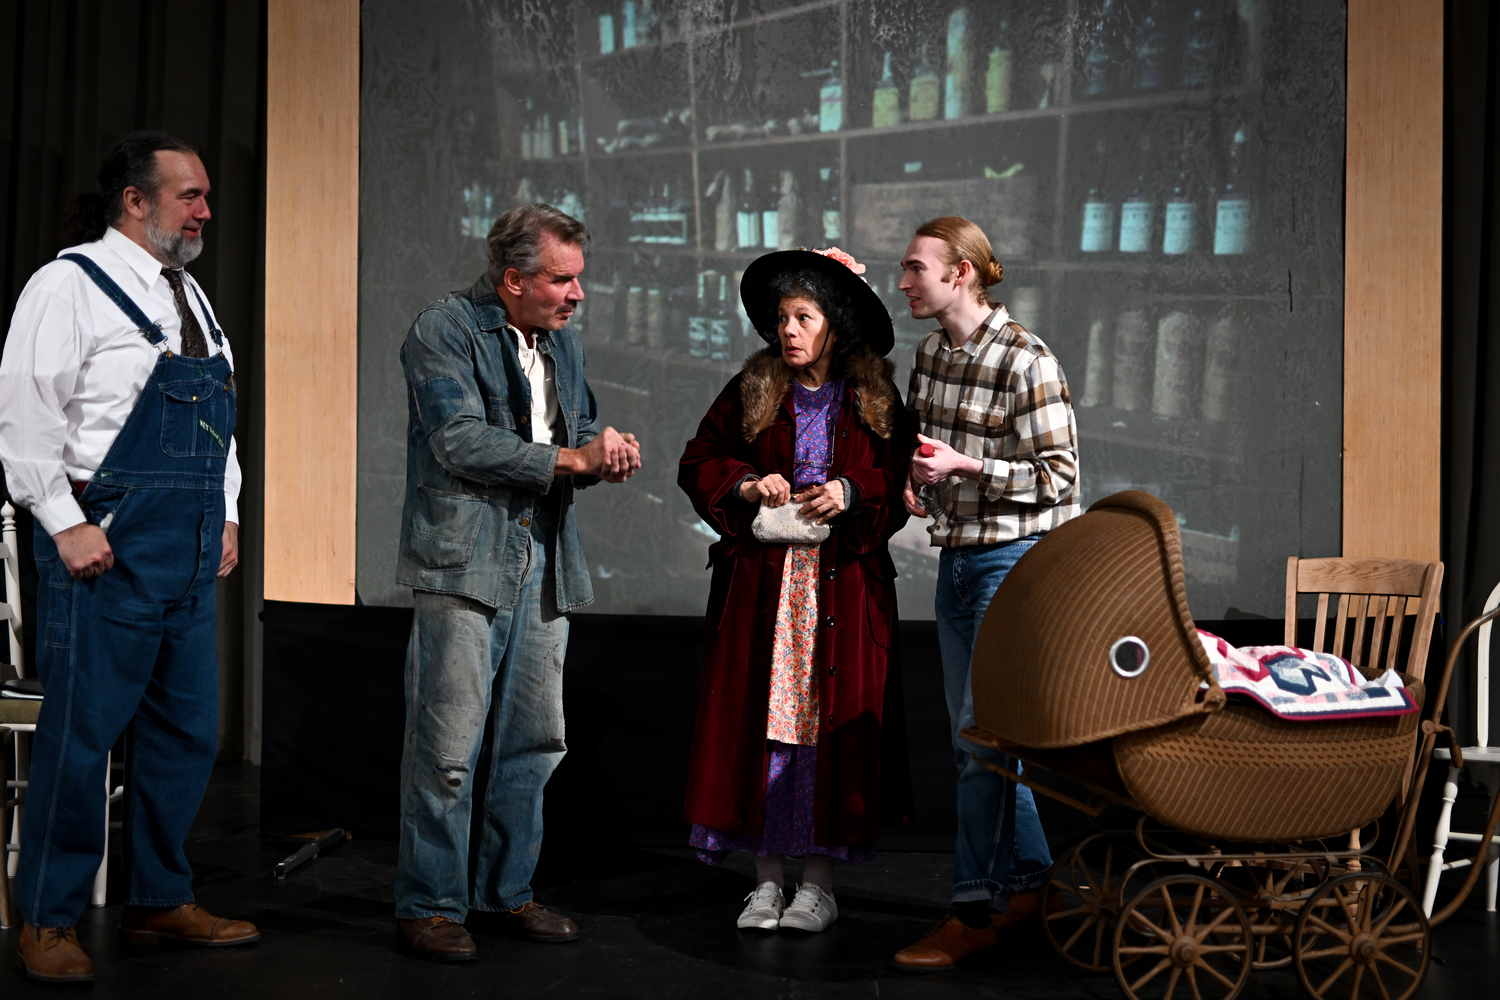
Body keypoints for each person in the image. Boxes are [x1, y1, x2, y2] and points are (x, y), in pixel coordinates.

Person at [0, 131, 257, 983]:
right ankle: (47, 914)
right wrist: (63, 520)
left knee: (187, 734)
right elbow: (28, 414)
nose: (206, 211)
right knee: (82, 737)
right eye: (191, 196)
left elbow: (218, 416)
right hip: (104, 541)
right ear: (135, 201)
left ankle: (157, 894)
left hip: (183, 545)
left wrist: (223, 509)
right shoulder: (69, 284)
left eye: (206, 196)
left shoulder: (192, 295)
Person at [393, 203, 641, 962]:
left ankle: (505, 893)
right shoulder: (445, 330)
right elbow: (460, 440)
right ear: (512, 279)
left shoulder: (560, 345)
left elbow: (579, 428)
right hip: (466, 559)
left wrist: (606, 445)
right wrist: (573, 461)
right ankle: (431, 903)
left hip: (544, 557)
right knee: (447, 745)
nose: (577, 294)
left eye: (578, 279)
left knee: (534, 742)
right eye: (562, 280)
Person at [678, 247, 913, 934]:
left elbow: (896, 479)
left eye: (803, 316)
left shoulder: (873, 399)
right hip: (766, 594)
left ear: (834, 323)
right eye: (782, 317)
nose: (789, 330)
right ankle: (765, 882)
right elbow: (700, 459)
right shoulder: (754, 389)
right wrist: (749, 483)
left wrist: (851, 488)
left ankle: (817, 885)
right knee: (764, 728)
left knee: (823, 732)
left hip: (840, 594)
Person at [889, 217, 1081, 972]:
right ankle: (1035, 887)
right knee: (987, 746)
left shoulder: (1026, 359)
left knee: (976, 744)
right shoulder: (931, 354)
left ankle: (972, 909)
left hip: (1014, 564)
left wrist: (968, 469)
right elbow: (927, 454)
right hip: (958, 562)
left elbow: (1061, 480)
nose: (903, 282)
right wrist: (917, 482)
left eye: (914, 269)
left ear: (961, 273)